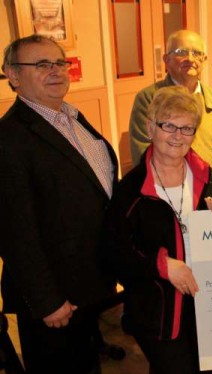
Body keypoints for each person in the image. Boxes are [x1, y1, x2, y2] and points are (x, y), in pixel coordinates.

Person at [0, 35, 118, 373]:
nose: (54, 71)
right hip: (54, 298)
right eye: (40, 64)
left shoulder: (71, 117)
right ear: (13, 75)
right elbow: (14, 232)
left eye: (59, 63)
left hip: (86, 284)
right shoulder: (8, 139)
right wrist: (47, 300)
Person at [108, 86, 212, 374]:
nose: (178, 136)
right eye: (169, 126)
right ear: (151, 127)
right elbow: (114, 253)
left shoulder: (206, 176)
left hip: (208, 301)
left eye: (187, 128)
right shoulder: (132, 189)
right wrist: (163, 265)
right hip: (159, 310)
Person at [129, 29, 212, 169]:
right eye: (181, 52)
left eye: (197, 53)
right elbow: (143, 154)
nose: (190, 59)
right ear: (166, 60)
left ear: (204, 60)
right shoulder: (149, 98)